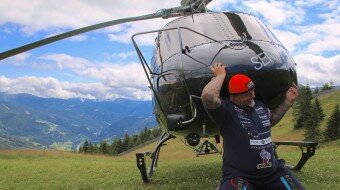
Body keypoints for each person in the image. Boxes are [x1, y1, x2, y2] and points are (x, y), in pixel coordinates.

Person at [201, 62, 304, 190]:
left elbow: (271, 120)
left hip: (273, 173)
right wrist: (220, 76)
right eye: (248, 94)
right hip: (240, 176)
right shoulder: (225, 111)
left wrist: (288, 101)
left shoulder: (259, 105)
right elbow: (208, 97)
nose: (253, 96)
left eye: (253, 91)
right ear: (235, 96)